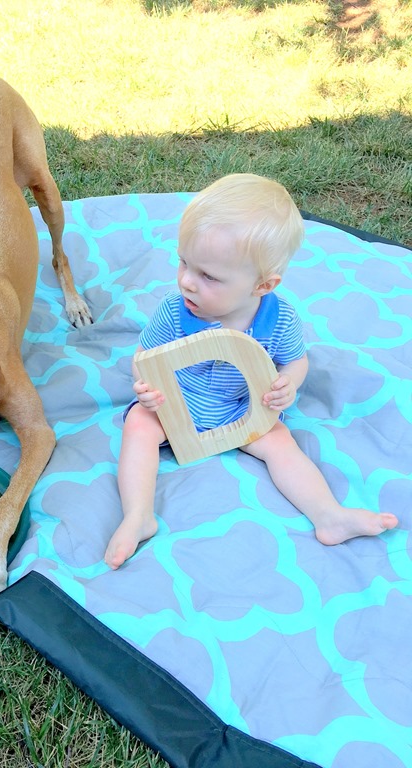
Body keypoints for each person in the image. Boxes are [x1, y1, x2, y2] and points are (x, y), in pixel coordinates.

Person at [104, 173, 398, 570]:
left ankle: (329, 515)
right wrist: (146, 387)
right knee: (139, 424)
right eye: (184, 262)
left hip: (241, 409)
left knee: (279, 441)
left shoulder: (279, 321)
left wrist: (288, 384)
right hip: (176, 405)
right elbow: (146, 356)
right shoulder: (174, 311)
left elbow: (295, 361)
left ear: (262, 285)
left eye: (208, 276)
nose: (187, 282)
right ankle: (138, 516)